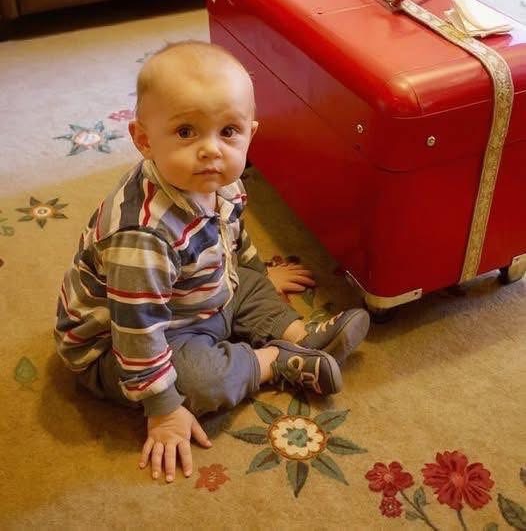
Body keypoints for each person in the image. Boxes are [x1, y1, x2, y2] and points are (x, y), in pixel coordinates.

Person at [55, 41, 370, 483]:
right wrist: (163, 410)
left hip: (193, 296)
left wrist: (258, 274)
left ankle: (302, 337)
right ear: (144, 140)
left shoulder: (220, 182)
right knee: (200, 383)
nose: (211, 150)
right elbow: (136, 332)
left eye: (229, 132)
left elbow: (234, 238)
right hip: (121, 343)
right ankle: (273, 361)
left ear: (250, 134)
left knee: (251, 281)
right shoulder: (142, 238)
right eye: (186, 132)